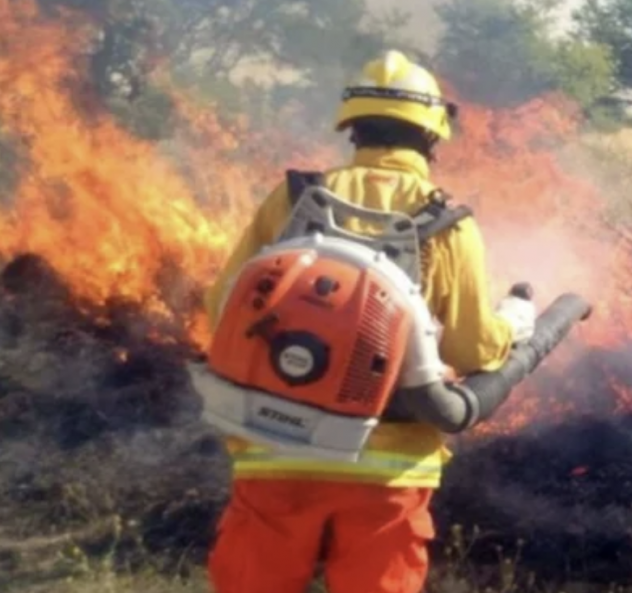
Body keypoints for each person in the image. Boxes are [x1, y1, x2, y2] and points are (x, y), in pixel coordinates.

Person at [201, 50, 534, 593]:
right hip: (391, 468)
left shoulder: (290, 201)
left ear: (352, 128)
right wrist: (514, 323)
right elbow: (474, 350)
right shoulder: (448, 220)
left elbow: (224, 309)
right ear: (433, 135)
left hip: (274, 450)